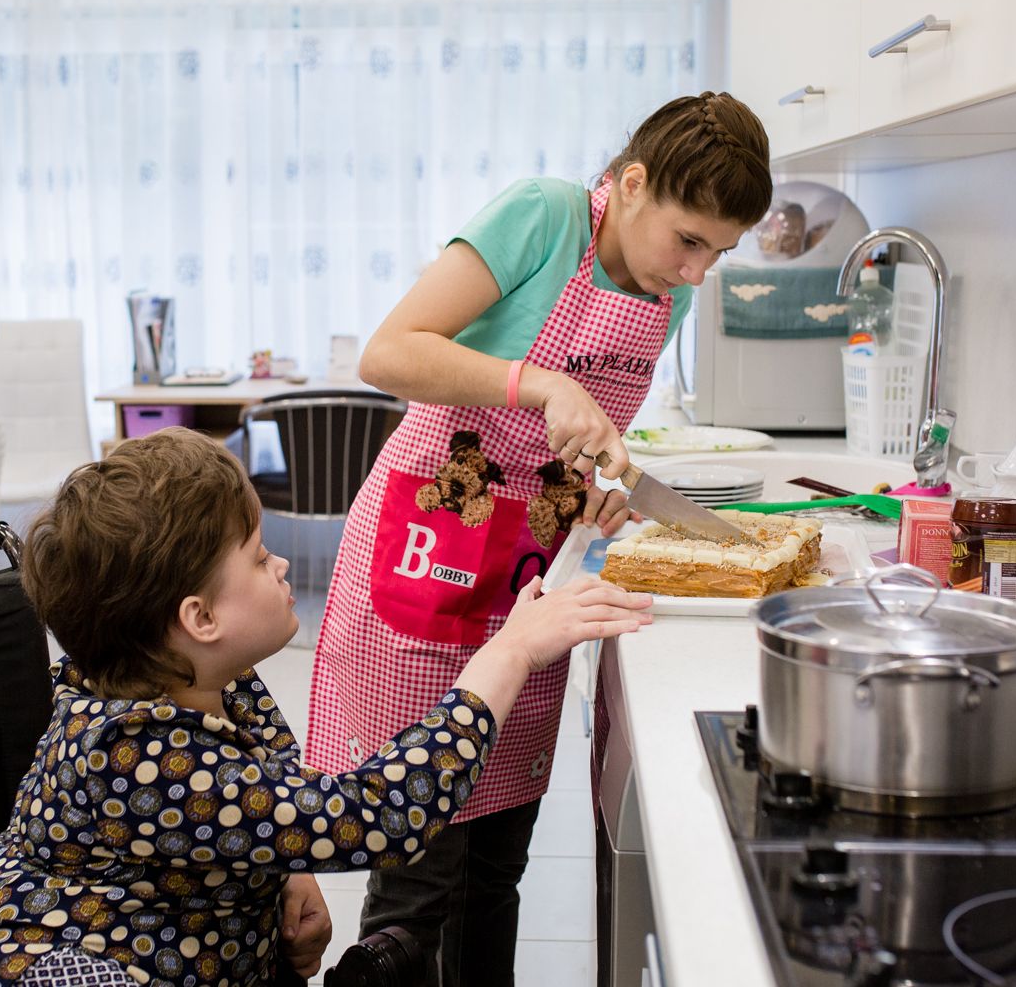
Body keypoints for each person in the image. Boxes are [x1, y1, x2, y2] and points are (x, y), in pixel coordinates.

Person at [304, 91, 773, 986]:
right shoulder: (545, 217)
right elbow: (390, 351)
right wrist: (538, 381)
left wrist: (592, 492)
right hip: (431, 552)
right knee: (423, 863)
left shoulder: (662, 290)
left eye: (720, 251)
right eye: (689, 240)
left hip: (530, 574)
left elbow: (564, 442)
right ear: (632, 185)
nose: (699, 272)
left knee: (497, 862)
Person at [0, 428, 653, 987]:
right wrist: (509, 652)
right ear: (200, 617)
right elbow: (382, 818)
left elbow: (275, 791)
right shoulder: (135, 755)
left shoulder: (204, 676)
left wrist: (289, 875)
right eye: (260, 559)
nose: (283, 564)